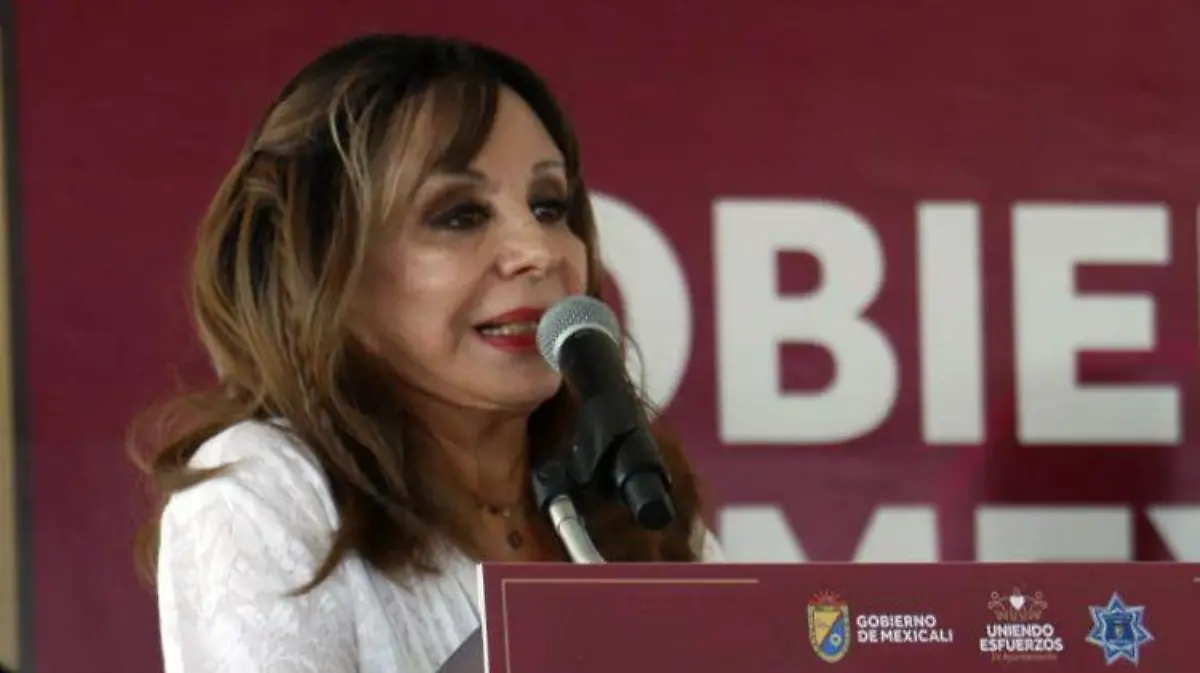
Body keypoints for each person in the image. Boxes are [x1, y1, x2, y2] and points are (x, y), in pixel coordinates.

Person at [131, 33, 721, 673]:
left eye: (550, 206)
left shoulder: (628, 485)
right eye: (461, 215)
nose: (538, 251)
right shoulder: (262, 493)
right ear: (326, 270)